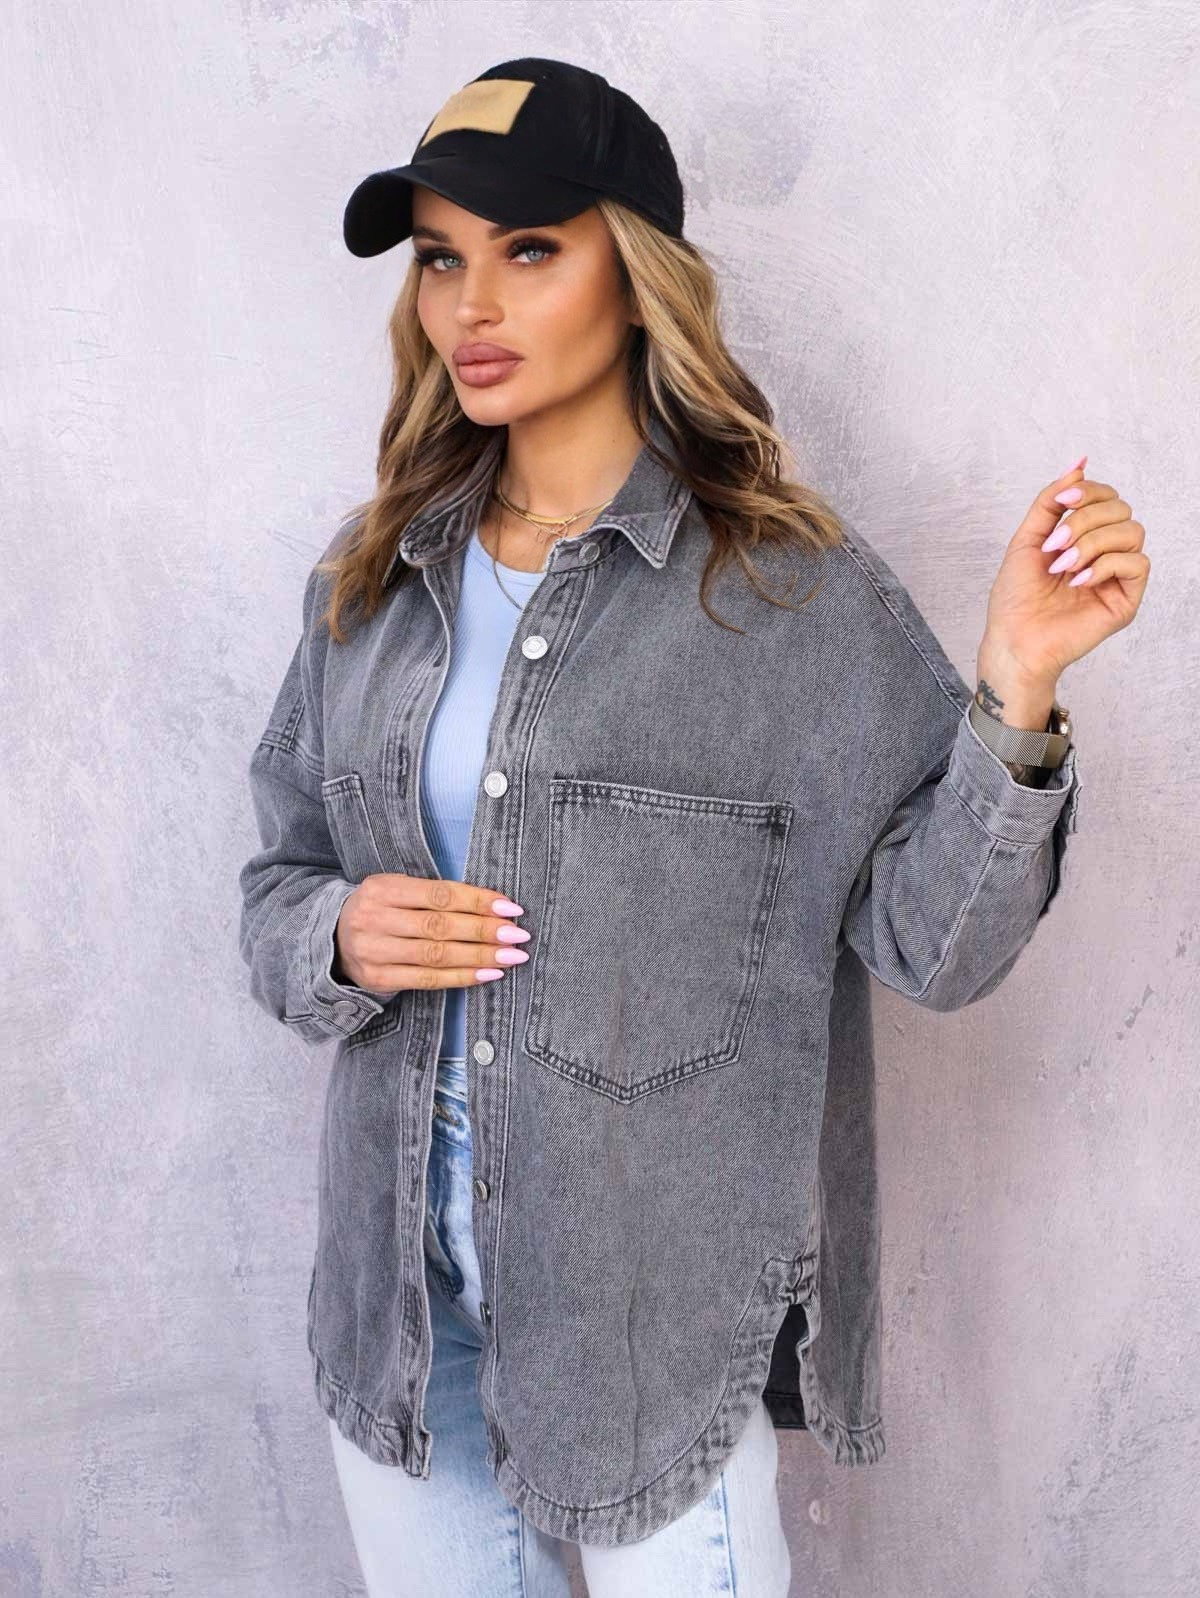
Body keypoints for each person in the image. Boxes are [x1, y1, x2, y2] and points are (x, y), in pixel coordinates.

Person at [237, 55, 1149, 1598]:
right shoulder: (376, 576)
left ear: (637, 273)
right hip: (400, 1304)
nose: (473, 303)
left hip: (651, 1324)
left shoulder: (784, 592)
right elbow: (277, 883)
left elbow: (934, 946)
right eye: (442, 258)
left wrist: (1017, 682)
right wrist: (338, 932)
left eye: (530, 249)